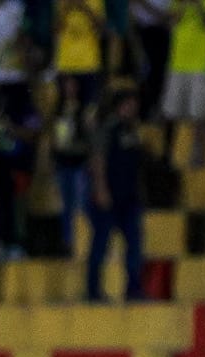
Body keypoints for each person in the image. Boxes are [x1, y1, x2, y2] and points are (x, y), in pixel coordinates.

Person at [86, 83, 146, 304]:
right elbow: (98, 160)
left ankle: (133, 289)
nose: (133, 109)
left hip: (129, 197)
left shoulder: (132, 131)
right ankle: (93, 291)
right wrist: (101, 189)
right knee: (100, 245)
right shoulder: (108, 129)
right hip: (109, 196)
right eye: (129, 104)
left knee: (135, 245)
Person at [162, 0, 205, 167]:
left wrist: (198, 4)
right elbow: (170, 22)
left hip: (201, 64)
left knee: (199, 114)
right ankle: (167, 154)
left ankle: (198, 155)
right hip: (177, 63)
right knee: (170, 112)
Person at [50, 75, 92, 254]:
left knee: (82, 203)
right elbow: (56, 138)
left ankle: (92, 239)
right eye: (67, 85)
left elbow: (89, 136)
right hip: (63, 162)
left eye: (72, 85)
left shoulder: (84, 110)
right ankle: (67, 243)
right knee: (66, 206)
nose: (69, 89)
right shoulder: (58, 110)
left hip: (79, 163)